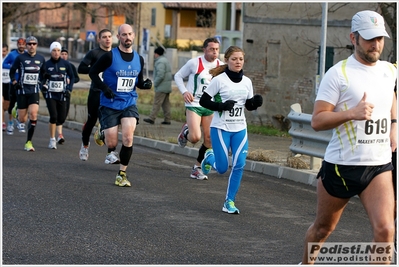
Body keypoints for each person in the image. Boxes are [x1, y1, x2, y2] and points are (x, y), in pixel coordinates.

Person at [300, 10, 397, 264]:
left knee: (386, 230)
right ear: (353, 38)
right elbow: (317, 120)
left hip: (378, 166)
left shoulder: (389, 70)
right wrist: (352, 113)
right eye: (369, 39)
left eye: (380, 38)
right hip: (342, 167)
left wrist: (394, 124)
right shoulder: (338, 73)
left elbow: (391, 96)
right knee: (323, 230)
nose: (376, 44)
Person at [199, 46, 263, 214]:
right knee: (221, 168)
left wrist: (255, 102)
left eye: (240, 59)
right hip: (221, 128)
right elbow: (204, 102)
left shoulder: (247, 82)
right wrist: (221, 106)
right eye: (234, 59)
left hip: (240, 128)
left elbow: (248, 105)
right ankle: (208, 157)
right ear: (227, 60)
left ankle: (229, 201)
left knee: (239, 165)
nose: (237, 62)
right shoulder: (219, 80)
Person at [88, 24, 152, 187]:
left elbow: (138, 81)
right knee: (111, 143)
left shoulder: (139, 58)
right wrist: (104, 88)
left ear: (134, 35)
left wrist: (144, 84)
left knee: (128, 137)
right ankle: (102, 130)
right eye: (124, 35)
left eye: (130, 34)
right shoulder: (109, 56)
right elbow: (92, 73)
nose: (127, 37)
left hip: (129, 102)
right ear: (119, 37)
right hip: (109, 104)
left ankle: (121, 174)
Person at [174, 37, 224, 180]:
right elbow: (178, 76)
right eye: (211, 49)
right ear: (204, 49)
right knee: (195, 138)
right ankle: (186, 132)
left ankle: (197, 168)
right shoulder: (195, 63)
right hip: (194, 104)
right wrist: (184, 91)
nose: (214, 52)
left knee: (209, 139)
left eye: (217, 49)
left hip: (210, 105)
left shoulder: (221, 66)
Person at [77, 29, 115, 162]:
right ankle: (85, 146)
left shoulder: (115, 54)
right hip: (95, 93)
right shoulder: (94, 53)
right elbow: (80, 68)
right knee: (91, 121)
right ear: (99, 39)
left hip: (110, 93)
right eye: (104, 37)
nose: (107, 39)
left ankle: (110, 153)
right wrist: (95, 68)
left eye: (109, 36)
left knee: (111, 124)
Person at [9, 36, 46, 151]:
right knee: (22, 120)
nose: (31, 46)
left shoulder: (41, 58)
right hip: (22, 91)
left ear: (37, 45)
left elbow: (44, 74)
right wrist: (15, 83)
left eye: (34, 44)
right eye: (29, 44)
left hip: (34, 91)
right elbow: (11, 72)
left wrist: (42, 83)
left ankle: (28, 142)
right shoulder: (20, 58)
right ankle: (16, 108)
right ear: (26, 45)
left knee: (33, 115)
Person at [42, 42, 74, 149]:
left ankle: (57, 134)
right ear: (51, 52)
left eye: (58, 51)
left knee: (61, 118)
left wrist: (69, 89)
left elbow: (72, 77)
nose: (56, 53)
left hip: (62, 94)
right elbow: (40, 78)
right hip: (50, 94)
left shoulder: (66, 64)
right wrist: (43, 85)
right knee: (54, 116)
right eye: (54, 51)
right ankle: (52, 139)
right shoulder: (46, 64)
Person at [56, 47, 80, 144]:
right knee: (56, 114)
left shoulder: (70, 66)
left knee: (63, 115)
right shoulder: (55, 65)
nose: (64, 56)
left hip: (67, 92)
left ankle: (57, 130)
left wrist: (70, 82)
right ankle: (59, 135)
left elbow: (76, 78)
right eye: (62, 54)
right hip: (56, 93)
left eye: (65, 54)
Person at [143, 47, 172, 125]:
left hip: (161, 86)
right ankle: (167, 119)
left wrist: (155, 83)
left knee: (157, 103)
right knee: (165, 104)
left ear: (156, 53)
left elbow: (160, 75)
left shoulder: (160, 62)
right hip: (166, 86)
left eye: (154, 53)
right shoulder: (165, 60)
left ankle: (151, 118)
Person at [3, 37, 26, 135]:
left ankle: (21, 122)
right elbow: (4, 64)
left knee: (23, 103)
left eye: (23, 44)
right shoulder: (12, 55)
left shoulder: (26, 55)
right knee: (11, 103)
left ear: (25, 45)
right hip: (13, 82)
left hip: (23, 82)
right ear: (17, 45)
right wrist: (13, 66)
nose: (21, 46)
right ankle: (10, 122)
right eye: (19, 44)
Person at [2, 43, 9, 131]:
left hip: (8, 84)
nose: (2, 53)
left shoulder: (10, 59)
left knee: (6, 106)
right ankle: (2, 122)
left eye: (4, 51)